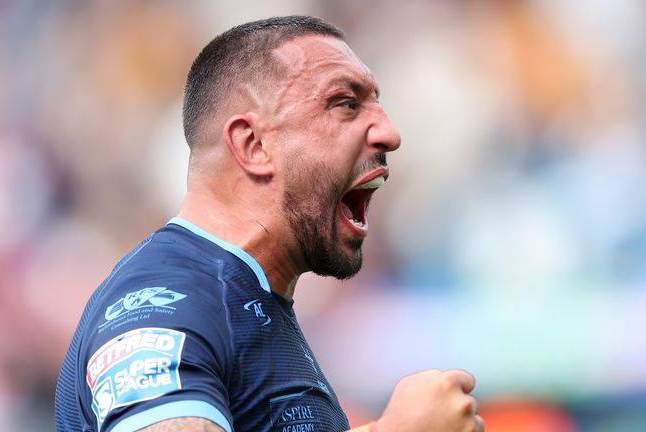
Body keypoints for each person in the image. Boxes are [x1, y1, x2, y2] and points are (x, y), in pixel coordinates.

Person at [54, 15, 484, 432]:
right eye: (346, 104)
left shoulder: (247, 299)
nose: (389, 133)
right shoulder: (166, 305)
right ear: (253, 145)